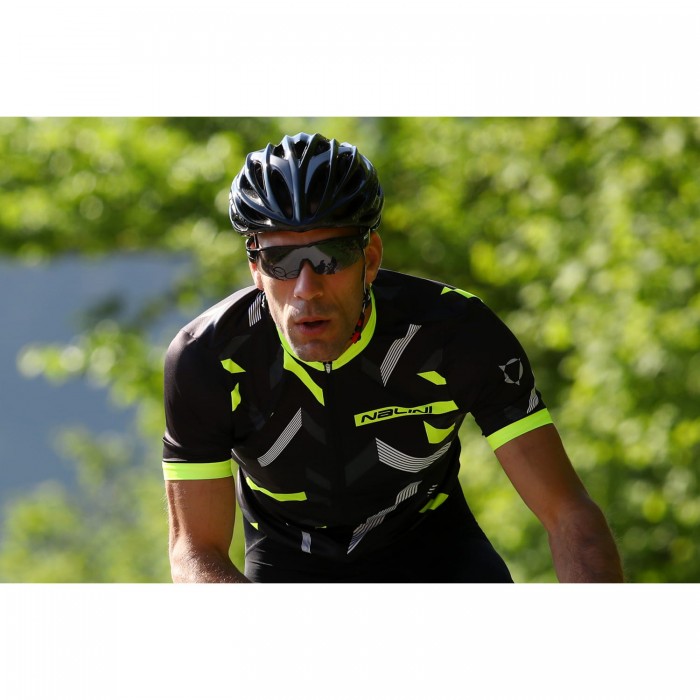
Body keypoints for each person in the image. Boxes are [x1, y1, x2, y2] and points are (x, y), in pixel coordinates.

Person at [162, 132, 623, 583]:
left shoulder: (453, 333)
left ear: (371, 259)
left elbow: (568, 515)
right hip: (289, 563)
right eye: (280, 260)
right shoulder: (208, 359)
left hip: (436, 555)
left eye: (330, 256)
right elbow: (194, 551)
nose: (306, 288)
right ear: (255, 268)